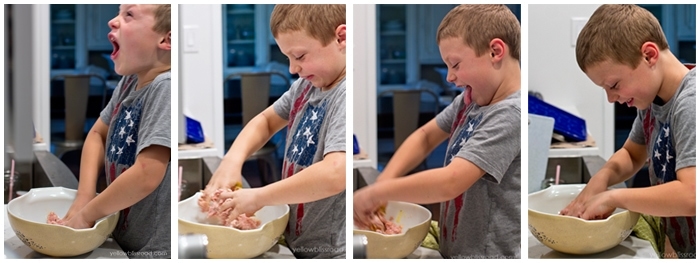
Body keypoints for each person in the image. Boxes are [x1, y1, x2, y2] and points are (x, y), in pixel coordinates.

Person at [354, 4, 521, 259]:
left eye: (455, 64)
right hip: (457, 248)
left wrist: (377, 193)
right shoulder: (470, 101)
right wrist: (384, 180)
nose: (449, 77)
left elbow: (450, 182)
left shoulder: (509, 115)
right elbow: (425, 137)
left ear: (495, 51)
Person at [204, 4, 346, 259]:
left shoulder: (345, 95)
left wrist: (259, 197)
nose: (292, 69)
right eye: (288, 58)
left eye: (300, 56)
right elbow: (266, 121)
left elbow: (336, 172)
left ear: (341, 38)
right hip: (298, 238)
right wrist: (232, 161)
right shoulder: (305, 86)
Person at [560, 4, 695, 258]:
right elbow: (633, 154)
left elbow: (692, 194)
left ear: (649, 55)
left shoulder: (691, 102)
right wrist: (600, 179)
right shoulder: (653, 99)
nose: (611, 98)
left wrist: (614, 198)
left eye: (614, 84)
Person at [62, 4, 171, 259]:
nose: (112, 21)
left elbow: (147, 173)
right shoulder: (131, 80)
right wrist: (84, 197)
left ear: (166, 39)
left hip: (152, 251)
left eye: (128, 14)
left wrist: (87, 215)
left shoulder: (164, 88)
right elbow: (97, 135)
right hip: (124, 240)